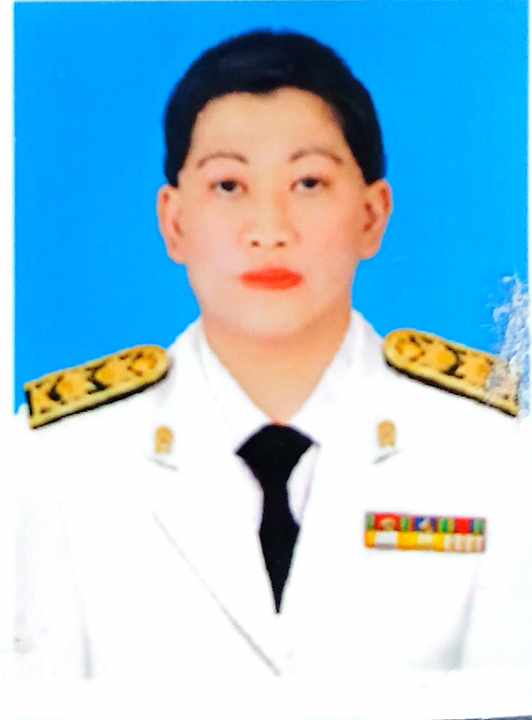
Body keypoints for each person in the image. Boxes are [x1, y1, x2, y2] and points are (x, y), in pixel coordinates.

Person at [12, 29, 532, 718]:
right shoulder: (56, 457)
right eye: (228, 185)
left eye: (308, 183)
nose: (269, 228)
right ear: (174, 222)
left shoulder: (490, 447)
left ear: (372, 214)